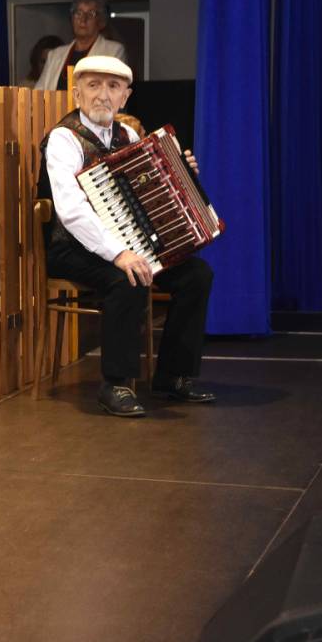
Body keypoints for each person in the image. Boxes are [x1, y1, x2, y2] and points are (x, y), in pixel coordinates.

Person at [38, 55, 215, 417]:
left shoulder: (129, 136)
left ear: (125, 97)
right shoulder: (63, 139)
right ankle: (115, 384)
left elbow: (150, 193)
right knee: (127, 278)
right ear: (77, 93)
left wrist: (183, 173)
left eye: (113, 86)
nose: (103, 94)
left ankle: (172, 377)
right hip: (70, 247)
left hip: (128, 243)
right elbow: (71, 211)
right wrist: (119, 253)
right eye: (93, 85)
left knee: (197, 274)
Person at [34, 0, 126, 91]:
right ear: (72, 19)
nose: (83, 20)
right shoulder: (55, 55)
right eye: (78, 13)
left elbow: (113, 91)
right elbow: (39, 92)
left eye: (91, 14)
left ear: (101, 21)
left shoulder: (113, 51)